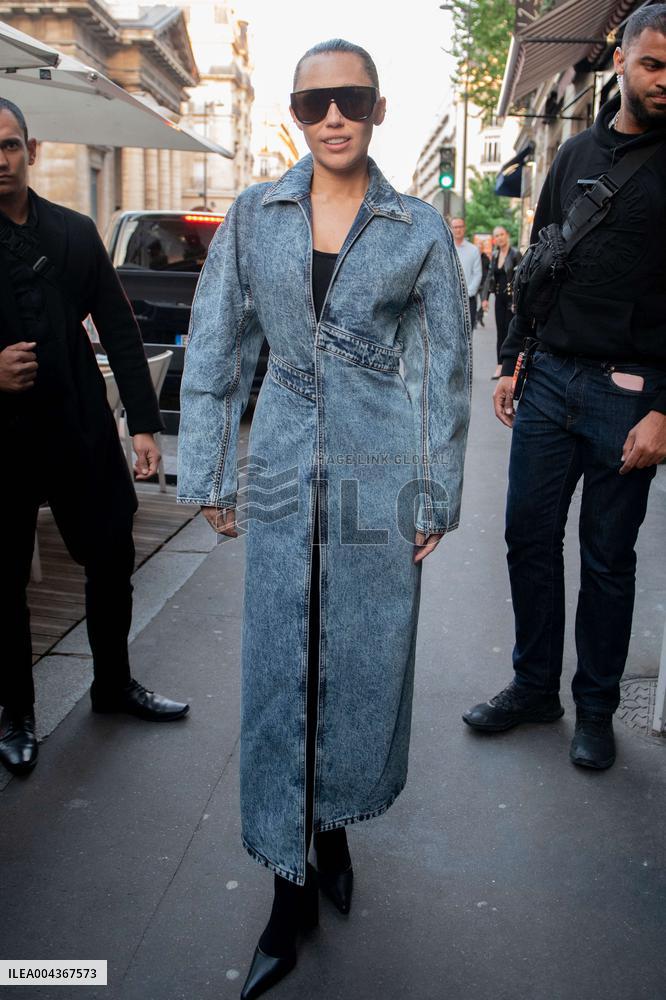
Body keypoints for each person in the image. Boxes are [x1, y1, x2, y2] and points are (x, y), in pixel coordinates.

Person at [177, 38, 471, 999]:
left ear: (378, 109)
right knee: (279, 665)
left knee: (360, 657)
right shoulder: (256, 216)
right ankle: (284, 890)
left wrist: (435, 492)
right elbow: (217, 344)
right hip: (282, 465)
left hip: (381, 475)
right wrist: (211, 472)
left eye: (350, 99)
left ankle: (334, 826)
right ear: (296, 116)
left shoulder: (416, 227)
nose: (331, 115)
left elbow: (442, 371)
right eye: (312, 103)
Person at [463, 5, 666, 771]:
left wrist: (664, 409)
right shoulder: (574, 152)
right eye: (653, 63)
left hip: (630, 395)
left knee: (609, 558)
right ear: (621, 59)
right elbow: (537, 266)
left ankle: (596, 709)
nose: (664, 79)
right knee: (527, 536)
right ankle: (532, 685)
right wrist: (512, 359)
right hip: (548, 380)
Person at [0, 99, 190, 778]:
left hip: (78, 425)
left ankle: (112, 684)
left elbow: (118, 328)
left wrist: (144, 425)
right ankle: (16, 711)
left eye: (11, 145)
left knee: (111, 550)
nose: (1, 159)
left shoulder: (75, 232)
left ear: (31, 150)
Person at [481, 225, 521, 378]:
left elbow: (520, 279)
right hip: (499, 299)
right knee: (500, 333)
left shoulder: (516, 254)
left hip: (512, 300)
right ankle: (500, 365)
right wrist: (485, 298)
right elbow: (490, 277)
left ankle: (511, 367)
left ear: (507, 235)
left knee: (511, 332)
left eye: (501, 234)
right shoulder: (495, 255)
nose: (499, 238)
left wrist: (517, 301)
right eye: (496, 236)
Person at [450, 217, 482, 330]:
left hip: (468, 300)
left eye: (460, 227)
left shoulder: (473, 250)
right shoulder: (446, 249)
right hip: (450, 299)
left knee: (467, 334)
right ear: (451, 229)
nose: (458, 230)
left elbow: (477, 274)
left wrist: (466, 293)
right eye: (455, 227)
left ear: (464, 228)